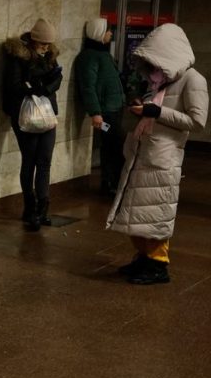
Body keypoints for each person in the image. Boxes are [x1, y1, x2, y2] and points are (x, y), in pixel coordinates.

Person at [107, 23, 208, 285]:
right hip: (143, 152)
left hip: (163, 157)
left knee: (156, 211)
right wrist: (142, 106)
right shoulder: (160, 79)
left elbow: (197, 121)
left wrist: (156, 112)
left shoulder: (193, 79)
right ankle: (144, 257)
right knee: (138, 211)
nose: (152, 69)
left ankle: (158, 264)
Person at [2, 18, 63, 231]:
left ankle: (42, 208)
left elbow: (57, 79)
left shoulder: (51, 55)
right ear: (33, 40)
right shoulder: (18, 56)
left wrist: (45, 87)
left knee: (44, 160)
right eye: (42, 44)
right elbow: (14, 85)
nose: (46, 47)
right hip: (24, 115)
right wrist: (38, 85)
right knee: (30, 160)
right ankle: (29, 208)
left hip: (47, 114)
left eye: (48, 44)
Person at [75, 17, 125, 196]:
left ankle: (112, 181)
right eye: (108, 30)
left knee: (114, 145)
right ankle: (111, 182)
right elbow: (88, 86)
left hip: (114, 108)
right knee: (112, 145)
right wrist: (95, 112)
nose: (111, 34)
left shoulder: (103, 54)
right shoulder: (89, 57)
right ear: (98, 33)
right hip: (105, 112)